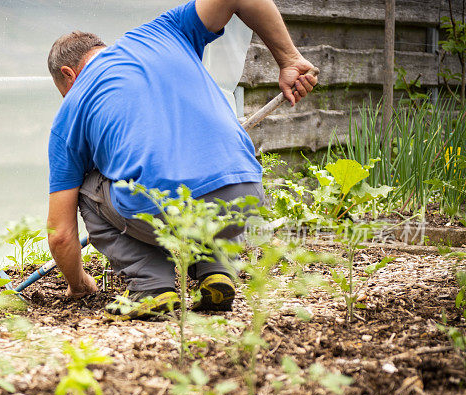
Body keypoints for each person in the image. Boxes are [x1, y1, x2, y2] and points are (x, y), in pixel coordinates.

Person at [45, 0, 317, 318]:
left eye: (63, 90)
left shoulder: (69, 115)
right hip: (242, 192)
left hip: (161, 210)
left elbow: (61, 234)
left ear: (68, 74)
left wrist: (78, 285)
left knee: (89, 186)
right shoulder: (165, 31)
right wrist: (289, 59)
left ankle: (151, 287)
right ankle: (216, 269)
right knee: (207, 175)